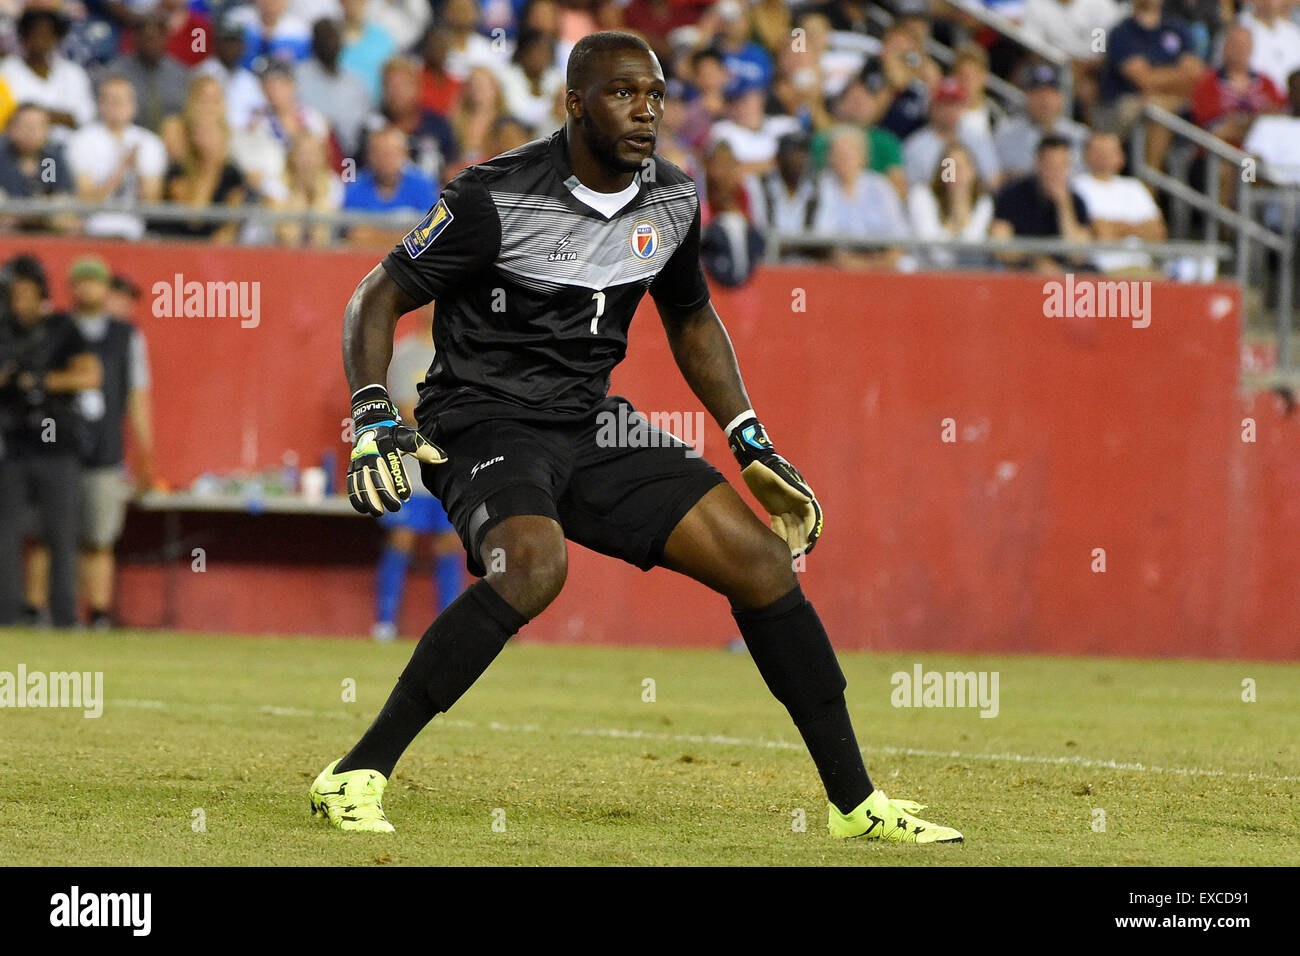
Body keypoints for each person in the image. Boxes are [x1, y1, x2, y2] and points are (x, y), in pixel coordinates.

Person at [309, 31, 964, 845]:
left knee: (761, 563)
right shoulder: (491, 197)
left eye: (655, 95)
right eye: (624, 94)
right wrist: (373, 411)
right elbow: (374, 298)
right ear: (575, 103)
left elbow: (691, 318)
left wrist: (748, 435)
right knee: (536, 567)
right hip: (482, 417)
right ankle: (356, 774)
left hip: (588, 421)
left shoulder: (673, 199)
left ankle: (856, 805)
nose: (646, 111)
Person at [24, 257, 153, 630]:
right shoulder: (53, 329)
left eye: (95, 283)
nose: (87, 290)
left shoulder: (125, 335)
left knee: (98, 535)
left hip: (104, 448)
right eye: (80, 282)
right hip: (53, 446)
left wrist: (145, 450)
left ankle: (97, 613)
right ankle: (36, 610)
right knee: (45, 534)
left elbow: (138, 395)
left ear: (105, 288)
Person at [0, 255, 101, 629]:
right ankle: (8, 616)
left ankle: (64, 617)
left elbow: (90, 374)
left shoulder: (61, 328)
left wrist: (40, 381)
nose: (20, 303)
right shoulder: (4, 331)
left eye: (27, 294)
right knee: (7, 536)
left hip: (56, 442)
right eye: (14, 295)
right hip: (14, 444)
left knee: (61, 534)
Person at [371, 311, 465, 642]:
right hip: (408, 467)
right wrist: (447, 414)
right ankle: (384, 623)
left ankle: (451, 629)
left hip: (448, 468)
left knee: (449, 544)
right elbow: (405, 409)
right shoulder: (404, 354)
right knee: (402, 538)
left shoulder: (459, 354)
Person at [1097, 0, 1205, 172]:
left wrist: (1157, 77)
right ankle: (1150, 186)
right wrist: (1177, 73)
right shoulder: (1122, 32)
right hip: (1123, 104)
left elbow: (1196, 74)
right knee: (1158, 110)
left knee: (1171, 108)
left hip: (1172, 101)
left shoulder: (1178, 28)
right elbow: (1144, 80)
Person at [67, 76, 168, 240]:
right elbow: (85, 200)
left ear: (133, 106)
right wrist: (120, 170)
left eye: (122, 101)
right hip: (93, 230)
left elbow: (152, 203)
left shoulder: (150, 143)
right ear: (100, 104)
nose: (117, 106)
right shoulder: (83, 141)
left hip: (136, 231)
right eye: (111, 100)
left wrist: (136, 170)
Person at [814, 124, 912, 270]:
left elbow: (899, 231)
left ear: (862, 156)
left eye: (849, 153)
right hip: (839, 262)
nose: (843, 159)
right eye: (838, 153)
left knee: (906, 265)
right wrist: (850, 261)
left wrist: (879, 260)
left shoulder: (879, 185)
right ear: (829, 158)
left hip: (881, 259)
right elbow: (821, 235)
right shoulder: (821, 186)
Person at [991, 135, 1093, 273]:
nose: (1055, 172)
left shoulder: (1076, 201)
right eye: (1050, 165)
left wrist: (1064, 206)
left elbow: (1078, 255)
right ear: (1038, 163)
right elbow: (1000, 246)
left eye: (1061, 166)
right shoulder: (1011, 195)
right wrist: (1036, 259)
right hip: (1021, 272)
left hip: (1064, 277)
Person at [1071, 132, 1167, 275]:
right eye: (1099, 152)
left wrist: (1116, 228)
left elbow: (1158, 233)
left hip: (1143, 268)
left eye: (1109, 152)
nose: (1104, 157)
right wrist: (1137, 228)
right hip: (1101, 271)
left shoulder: (1135, 186)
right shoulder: (1077, 186)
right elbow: (1101, 232)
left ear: (1121, 156)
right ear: (1086, 156)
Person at [0, 8, 96, 133]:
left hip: (68, 144)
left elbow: (84, 118)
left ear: (57, 38)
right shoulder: (6, 70)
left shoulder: (73, 72)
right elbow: (9, 118)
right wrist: (57, 117)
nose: (41, 41)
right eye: (35, 34)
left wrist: (41, 116)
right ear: (23, 38)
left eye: (47, 35)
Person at [98, 11, 190, 133]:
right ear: (136, 38)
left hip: (172, 141)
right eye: (148, 39)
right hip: (128, 138)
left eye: (158, 38)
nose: (152, 44)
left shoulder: (180, 73)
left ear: (166, 38)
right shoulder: (116, 72)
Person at [902, 77, 1001, 192]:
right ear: (932, 106)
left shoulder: (977, 138)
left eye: (954, 104)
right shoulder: (916, 145)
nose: (949, 110)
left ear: (963, 107)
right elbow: (909, 189)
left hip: (971, 202)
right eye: (944, 103)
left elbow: (993, 180)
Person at [907, 142, 996, 269]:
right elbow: (934, 251)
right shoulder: (922, 195)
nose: (957, 173)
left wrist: (961, 209)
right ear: (941, 172)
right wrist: (952, 222)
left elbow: (973, 249)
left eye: (963, 167)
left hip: (968, 275)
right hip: (926, 273)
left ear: (973, 172)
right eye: (951, 167)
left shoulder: (983, 202)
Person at [994, 63, 1088, 180]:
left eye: (1050, 93)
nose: (1045, 101)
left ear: (1061, 98)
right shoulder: (1006, 133)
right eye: (1038, 93)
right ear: (1027, 96)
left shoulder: (1079, 136)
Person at [294, 18, 372, 157]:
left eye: (334, 38)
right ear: (314, 43)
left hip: (350, 158)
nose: (330, 44)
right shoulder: (298, 77)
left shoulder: (355, 82)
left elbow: (366, 123)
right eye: (325, 39)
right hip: (311, 155)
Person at [0, 104, 77, 234]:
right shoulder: (3, 157)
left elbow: (57, 194)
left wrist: (41, 211)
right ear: (11, 128)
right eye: (25, 126)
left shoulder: (50, 159)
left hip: (46, 227)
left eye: (37, 127)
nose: (31, 132)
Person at [1239, 0, 1300, 95]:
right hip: (1254, 100)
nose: (1270, 2)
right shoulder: (1239, 28)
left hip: (1291, 101)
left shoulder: (1293, 32)